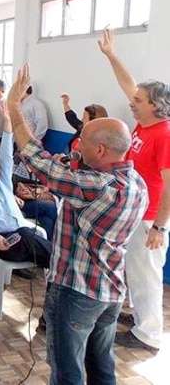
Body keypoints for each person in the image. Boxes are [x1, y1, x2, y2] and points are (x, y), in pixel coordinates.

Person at [8, 64, 147, 384]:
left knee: (67, 371)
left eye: (81, 140)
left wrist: (14, 107)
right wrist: (72, 161)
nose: (76, 145)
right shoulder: (134, 182)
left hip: (77, 292)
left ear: (99, 150)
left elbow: (35, 158)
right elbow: (69, 166)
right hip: (110, 291)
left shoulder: (94, 185)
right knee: (102, 366)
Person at [98, 28, 170, 352]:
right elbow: (128, 85)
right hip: (135, 212)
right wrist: (112, 56)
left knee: (146, 276)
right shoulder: (146, 123)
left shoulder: (165, 134)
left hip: (149, 219)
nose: (132, 102)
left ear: (156, 105)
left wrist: (159, 226)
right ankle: (139, 316)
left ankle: (149, 334)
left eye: (139, 101)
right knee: (132, 270)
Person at [0, 108, 52, 271]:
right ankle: (59, 265)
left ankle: (57, 266)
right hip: (4, 241)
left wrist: (7, 123)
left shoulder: (3, 183)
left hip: (24, 235)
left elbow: (6, 157)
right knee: (30, 238)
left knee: (28, 235)